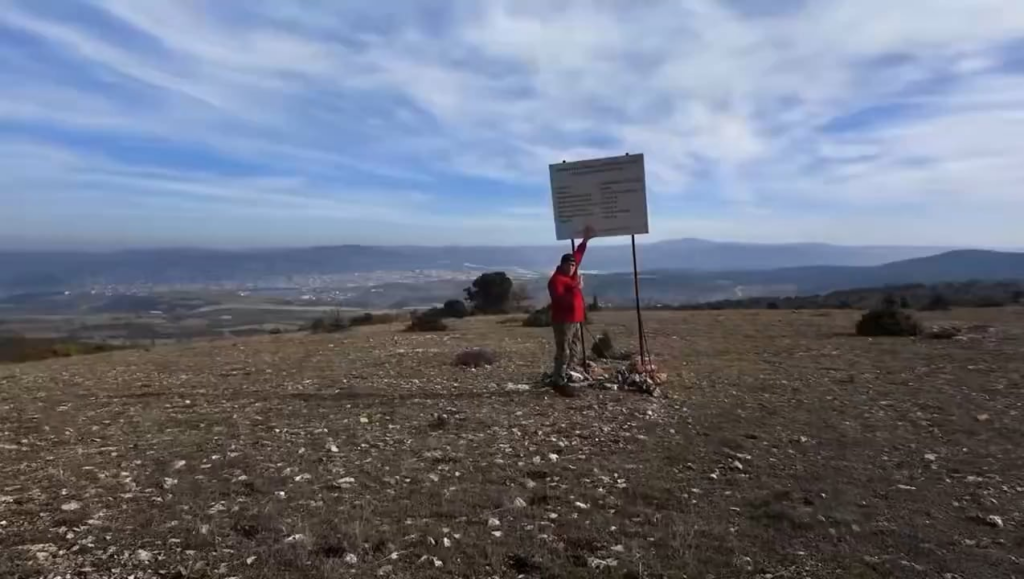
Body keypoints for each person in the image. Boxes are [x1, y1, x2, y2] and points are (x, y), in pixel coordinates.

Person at [548, 225, 596, 395]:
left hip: (576, 319)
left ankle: (569, 372)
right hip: (563, 320)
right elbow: (560, 300)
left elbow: (578, 255)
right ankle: (558, 379)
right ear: (561, 265)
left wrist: (585, 240)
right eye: (568, 265)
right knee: (564, 350)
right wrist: (577, 287)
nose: (572, 268)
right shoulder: (557, 280)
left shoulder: (571, 275)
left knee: (575, 347)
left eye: (573, 265)